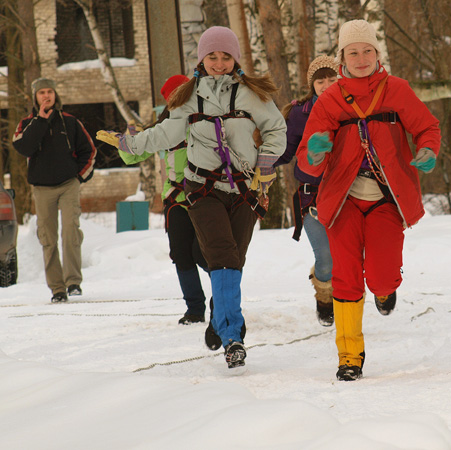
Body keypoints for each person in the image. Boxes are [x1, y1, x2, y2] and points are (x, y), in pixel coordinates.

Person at [97, 26, 286, 369]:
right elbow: (164, 134)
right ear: (201, 59)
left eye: (225, 56)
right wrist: (130, 144)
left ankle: (220, 319)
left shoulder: (253, 94)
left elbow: (276, 130)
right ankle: (233, 337)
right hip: (202, 190)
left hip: (245, 190)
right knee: (221, 256)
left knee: (233, 261)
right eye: (211, 56)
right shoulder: (188, 96)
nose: (218, 62)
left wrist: (266, 164)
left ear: (235, 59)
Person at [296, 20, 441, 381]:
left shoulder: (397, 90)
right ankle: (349, 356)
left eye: (367, 51)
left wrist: (427, 149)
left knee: (381, 276)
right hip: (342, 201)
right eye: (353, 52)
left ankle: (385, 288)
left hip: (386, 199)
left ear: (377, 53)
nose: (361, 58)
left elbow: (427, 127)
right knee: (345, 279)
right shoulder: (330, 99)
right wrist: (314, 152)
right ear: (343, 56)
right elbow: (305, 156)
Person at [118, 75, 209, 325]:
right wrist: (128, 138)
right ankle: (194, 309)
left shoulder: (205, 119)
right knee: (181, 254)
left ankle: (223, 298)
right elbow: (131, 157)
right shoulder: (162, 128)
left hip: (206, 196)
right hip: (176, 199)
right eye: (174, 97)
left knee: (204, 253)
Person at [13, 77, 96, 303]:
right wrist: (40, 121)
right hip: (41, 188)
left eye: (50, 92)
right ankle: (57, 288)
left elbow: (89, 150)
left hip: (68, 184)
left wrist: (79, 177)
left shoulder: (70, 122)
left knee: (70, 231)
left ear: (55, 95)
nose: (46, 96)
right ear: (35, 98)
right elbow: (22, 146)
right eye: (42, 93)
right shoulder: (26, 124)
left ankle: (73, 282)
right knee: (47, 238)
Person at [275, 55, 338, 327]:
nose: (326, 85)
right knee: (325, 259)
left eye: (331, 79)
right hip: (311, 197)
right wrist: (257, 160)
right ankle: (324, 297)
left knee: (349, 257)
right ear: (311, 85)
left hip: (347, 194)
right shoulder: (300, 114)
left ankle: (349, 305)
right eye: (320, 80)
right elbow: (285, 152)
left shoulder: (350, 109)